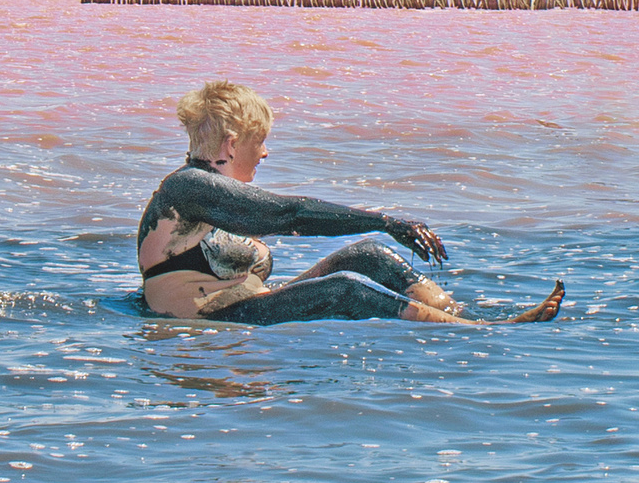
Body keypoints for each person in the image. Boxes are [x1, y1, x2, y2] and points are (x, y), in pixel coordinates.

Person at [137, 80, 564, 325]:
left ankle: (466, 316)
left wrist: (377, 231)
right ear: (231, 144)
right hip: (211, 320)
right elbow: (289, 214)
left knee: (369, 257)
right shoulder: (187, 189)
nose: (265, 154)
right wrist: (384, 220)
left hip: (243, 305)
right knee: (344, 291)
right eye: (260, 142)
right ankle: (480, 333)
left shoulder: (214, 193)